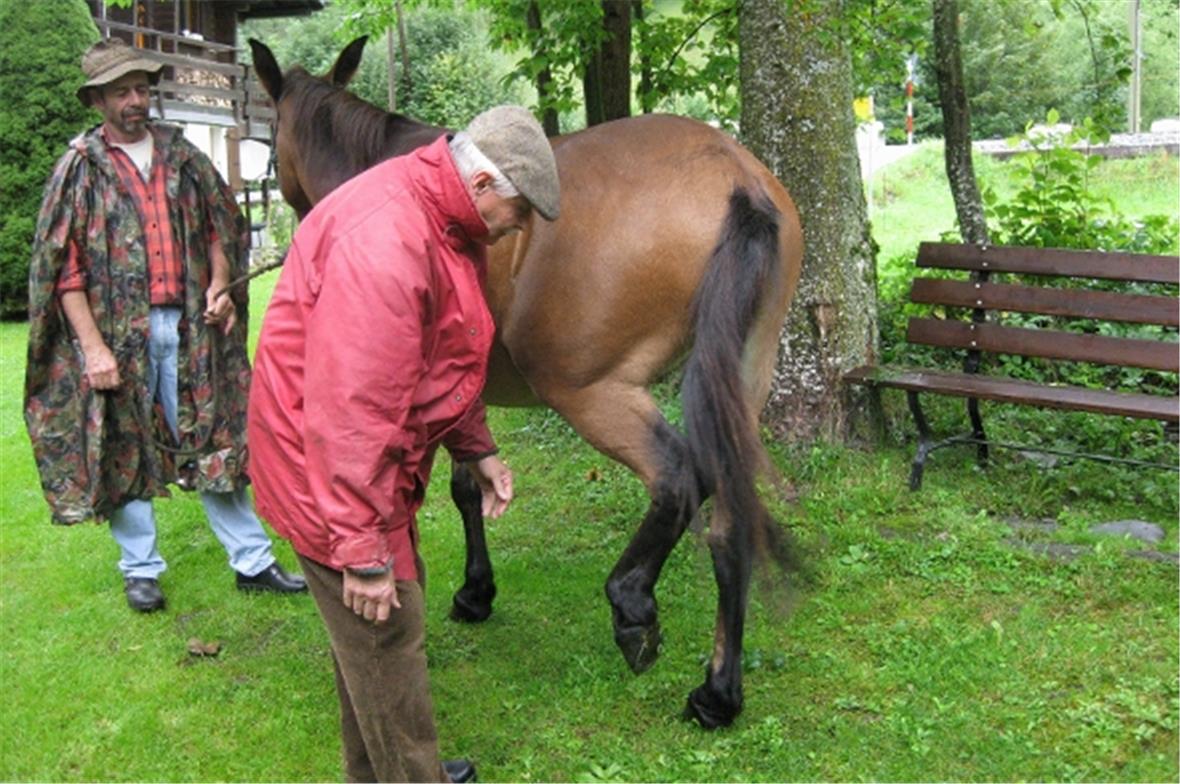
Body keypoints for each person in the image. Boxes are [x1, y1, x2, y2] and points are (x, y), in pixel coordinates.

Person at [246, 105, 560, 783]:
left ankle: (376, 773)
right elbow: (352, 413)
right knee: (387, 629)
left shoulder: (442, 218)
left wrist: (476, 446)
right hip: (329, 474)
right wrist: (362, 549)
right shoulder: (389, 242)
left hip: (347, 466)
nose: (522, 227)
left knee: (366, 650)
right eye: (521, 209)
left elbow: (444, 348)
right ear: (482, 185)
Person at [24, 38, 306, 614]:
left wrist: (219, 284)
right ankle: (141, 569)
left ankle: (251, 561)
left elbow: (218, 227)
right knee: (124, 446)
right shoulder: (80, 169)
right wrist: (93, 348)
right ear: (98, 99)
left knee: (217, 438)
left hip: (191, 329)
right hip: (118, 338)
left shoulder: (182, 155)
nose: (137, 99)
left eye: (142, 88)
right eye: (123, 91)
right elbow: (64, 268)